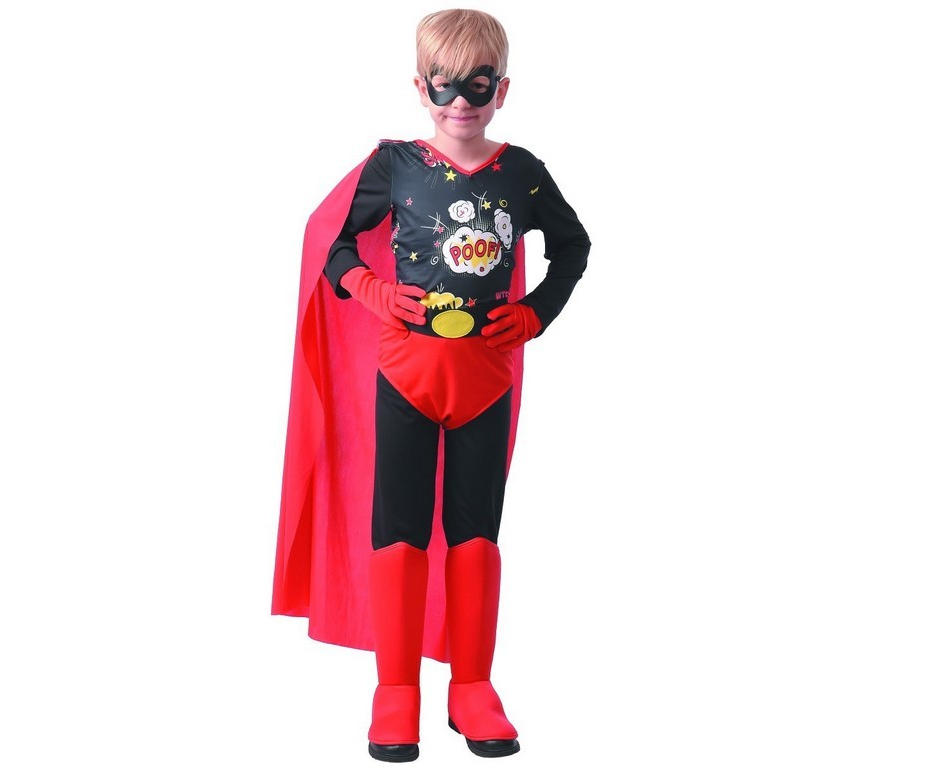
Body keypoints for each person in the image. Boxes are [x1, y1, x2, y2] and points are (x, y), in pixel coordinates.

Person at [272, 8, 590, 762]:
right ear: (421, 87)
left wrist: (536, 313)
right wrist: (371, 290)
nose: (460, 102)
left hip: (485, 380)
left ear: (502, 89)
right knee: (401, 533)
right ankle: (396, 690)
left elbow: (574, 248)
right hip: (405, 378)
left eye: (478, 85)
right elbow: (330, 239)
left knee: (476, 537)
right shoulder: (395, 166)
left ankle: (472, 685)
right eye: (444, 85)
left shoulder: (522, 172)